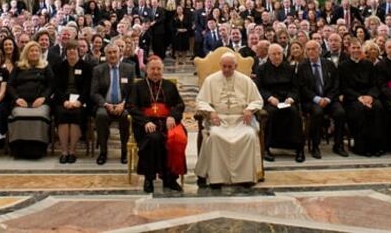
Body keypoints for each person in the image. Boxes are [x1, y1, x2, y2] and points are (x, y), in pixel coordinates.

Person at [195, 53, 263, 188]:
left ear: (236, 66)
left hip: (240, 120)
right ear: (220, 65)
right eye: (224, 66)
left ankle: (245, 178)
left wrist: (250, 109)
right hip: (219, 120)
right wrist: (211, 112)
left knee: (249, 136)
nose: (226, 70)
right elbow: (200, 101)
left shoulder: (246, 81)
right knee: (215, 136)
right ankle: (216, 179)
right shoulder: (210, 80)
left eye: (230, 67)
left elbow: (258, 100)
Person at [127, 56, 186, 193]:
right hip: (146, 124)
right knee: (154, 139)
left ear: (162, 71)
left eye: (159, 69)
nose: (156, 72)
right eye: (152, 69)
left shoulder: (169, 86)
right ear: (146, 70)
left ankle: (170, 178)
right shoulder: (138, 86)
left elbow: (180, 104)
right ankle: (149, 178)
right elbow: (131, 107)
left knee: (176, 139)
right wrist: (145, 121)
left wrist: (172, 116)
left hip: (167, 123)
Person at [296, 40, 347, 158]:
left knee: (340, 113)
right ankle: (315, 146)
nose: (310, 52)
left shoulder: (328, 64)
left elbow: (336, 84)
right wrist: (317, 99)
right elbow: (302, 88)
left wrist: (328, 99)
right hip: (312, 100)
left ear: (319, 50)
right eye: (308, 49)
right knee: (317, 112)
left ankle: (338, 145)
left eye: (313, 49)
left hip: (329, 98)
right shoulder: (302, 66)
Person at [256, 43, 304, 162]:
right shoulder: (262, 69)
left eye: (279, 54)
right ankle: (267, 147)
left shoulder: (290, 68)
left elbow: (295, 88)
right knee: (271, 114)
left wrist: (291, 98)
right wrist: (270, 98)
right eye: (274, 54)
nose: (277, 56)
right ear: (269, 55)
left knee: (293, 113)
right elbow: (259, 88)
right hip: (270, 101)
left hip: (287, 100)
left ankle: (298, 148)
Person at [91, 41, 135, 165]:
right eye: (109, 53)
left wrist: (124, 104)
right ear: (106, 55)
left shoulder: (129, 69)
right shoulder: (98, 70)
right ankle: (103, 152)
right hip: (105, 105)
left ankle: (124, 152)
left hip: (123, 105)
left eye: (115, 52)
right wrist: (106, 104)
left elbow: (133, 92)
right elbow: (94, 93)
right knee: (101, 116)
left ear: (120, 53)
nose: (112, 55)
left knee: (126, 116)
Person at [7, 41, 53, 159]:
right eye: (31, 51)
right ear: (26, 52)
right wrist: (17, 99)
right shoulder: (18, 66)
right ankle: (18, 149)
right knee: (19, 116)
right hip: (21, 101)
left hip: (40, 102)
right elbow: (10, 85)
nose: (34, 53)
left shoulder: (45, 66)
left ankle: (38, 149)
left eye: (36, 51)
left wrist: (43, 98)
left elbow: (51, 85)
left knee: (40, 116)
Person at [53, 44, 91, 163]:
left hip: (80, 100)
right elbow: (57, 87)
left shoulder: (86, 67)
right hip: (62, 100)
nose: (72, 51)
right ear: (65, 52)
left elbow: (87, 88)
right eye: (69, 49)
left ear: (78, 51)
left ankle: (72, 151)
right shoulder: (59, 66)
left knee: (77, 114)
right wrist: (64, 101)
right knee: (61, 114)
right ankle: (64, 151)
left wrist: (79, 101)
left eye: (74, 49)